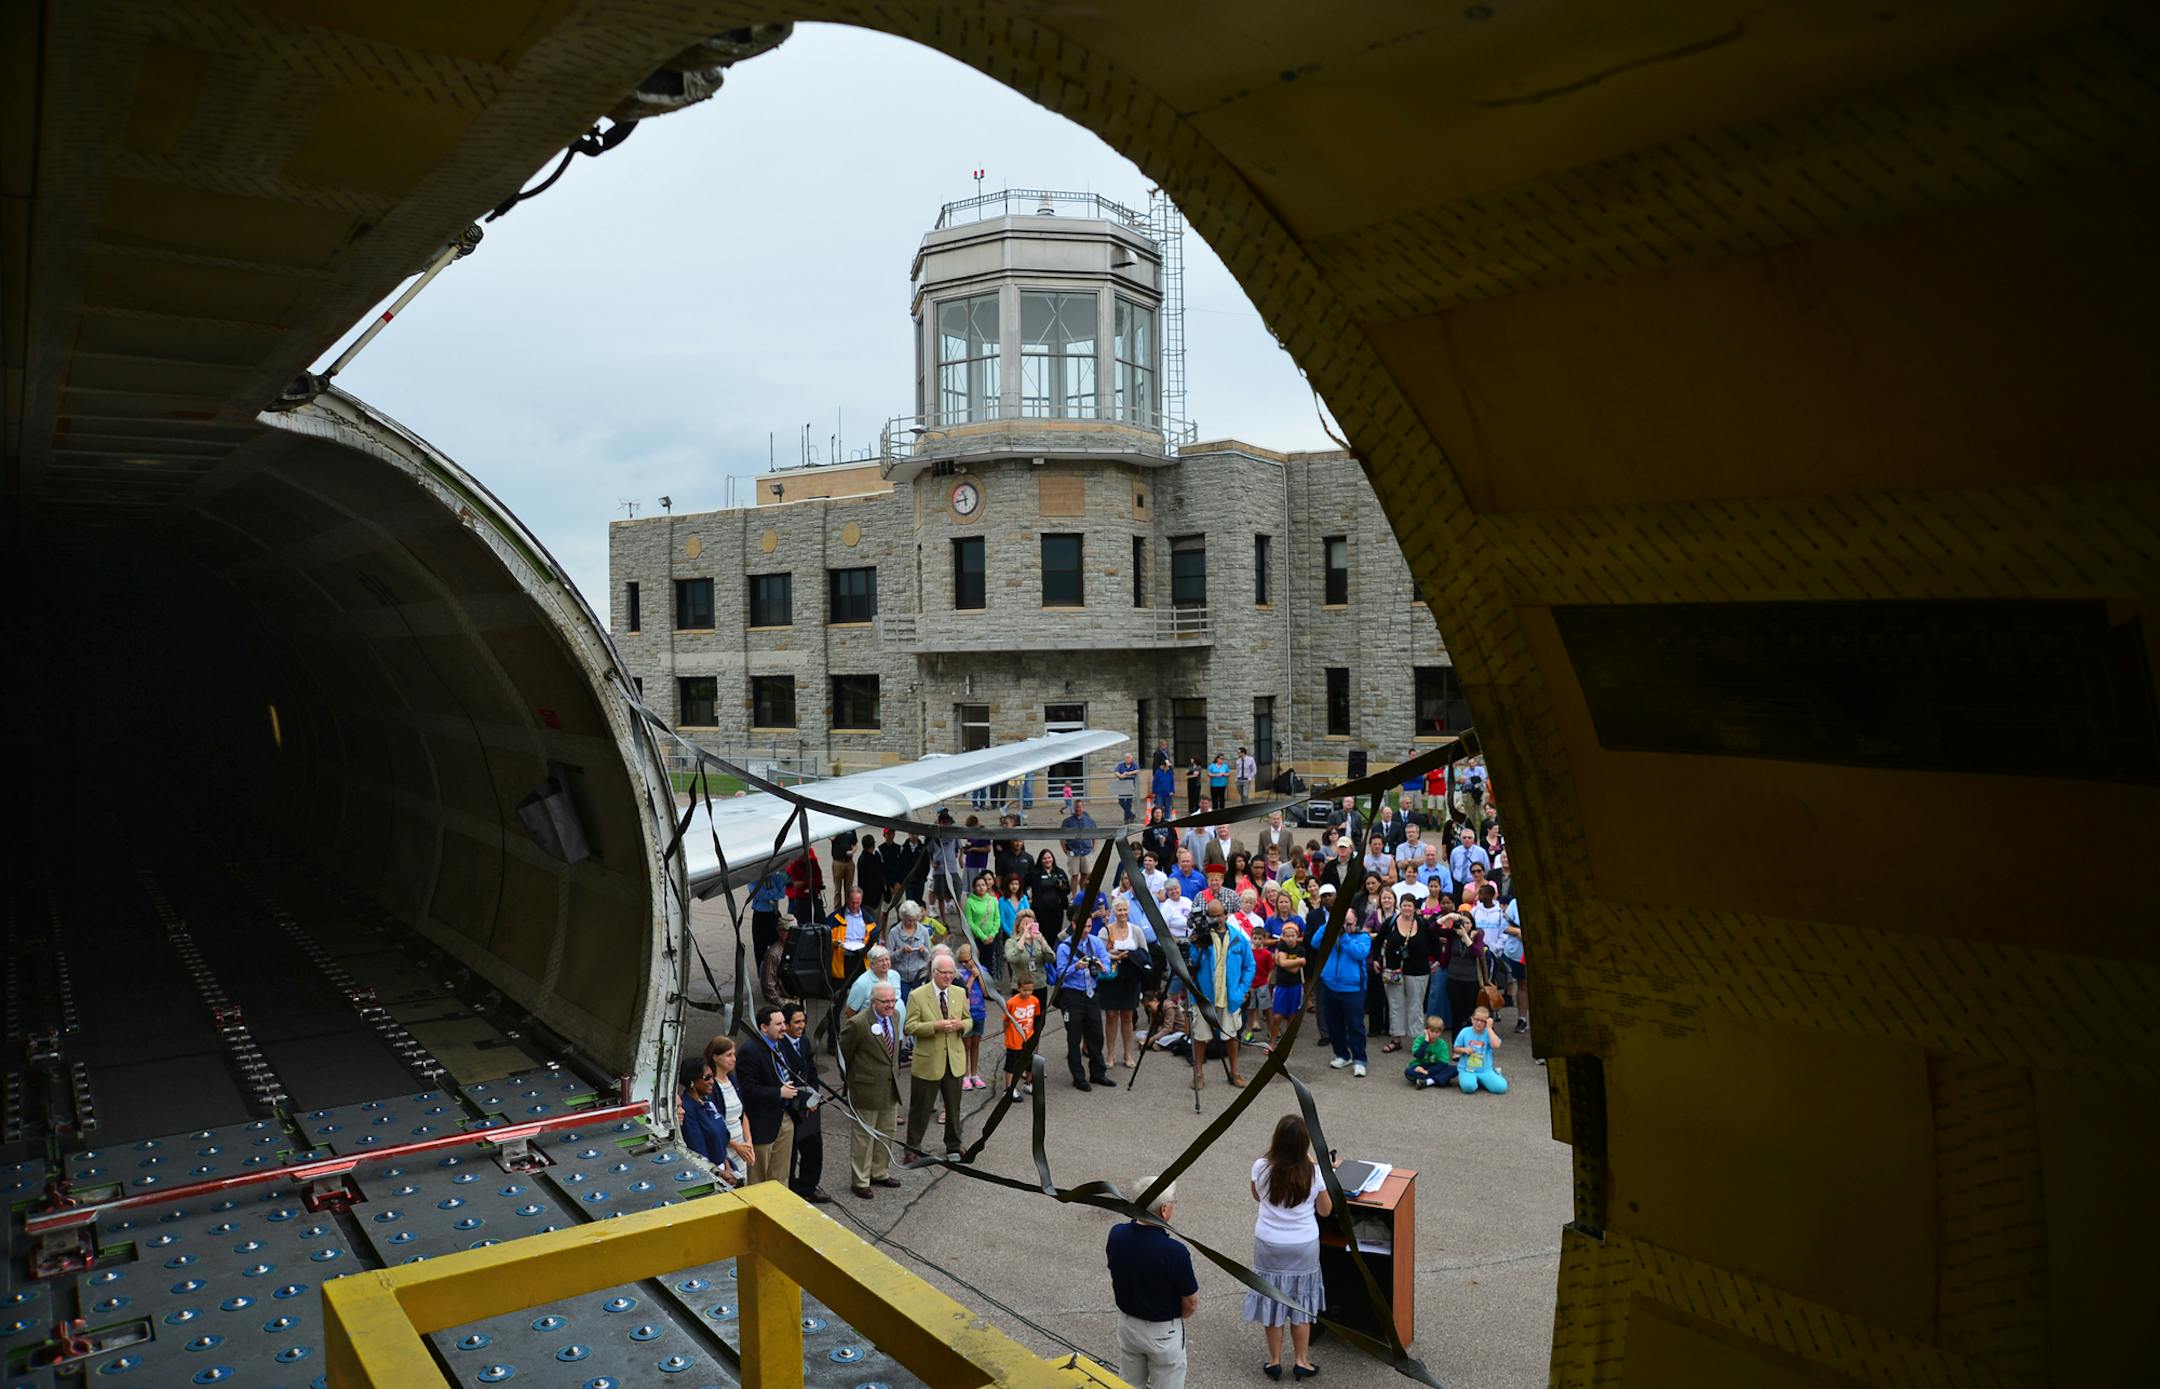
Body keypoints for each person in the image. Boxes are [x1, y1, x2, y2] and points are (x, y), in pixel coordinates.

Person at [1244, 1114, 1330, 1379]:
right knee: (1301, 1303)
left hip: (1269, 1242)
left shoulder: (1261, 1166)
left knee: (1273, 1299)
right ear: (1304, 1143)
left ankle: (1274, 1360)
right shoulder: (1313, 1173)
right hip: (1302, 1244)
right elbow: (1326, 1211)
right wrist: (1314, 1166)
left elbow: (1257, 1195)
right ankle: (1302, 1360)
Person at [1107, 1176, 1200, 1388]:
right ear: (1164, 1210)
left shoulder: (1117, 1234)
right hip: (1162, 1331)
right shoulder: (1174, 1252)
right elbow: (1191, 1302)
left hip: (1128, 1324)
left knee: (1129, 1382)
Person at [838, 979, 906, 1199]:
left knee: (887, 1132)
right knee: (863, 1137)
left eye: (893, 1000)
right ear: (873, 1002)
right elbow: (844, 1055)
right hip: (865, 1090)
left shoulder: (894, 1017)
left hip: (889, 1088)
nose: (890, 1005)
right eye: (885, 1001)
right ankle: (860, 1180)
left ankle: (880, 1172)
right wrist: (852, 1083)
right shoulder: (858, 1023)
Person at [903, 952, 970, 1160]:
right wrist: (935, 1026)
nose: (949, 977)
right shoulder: (918, 995)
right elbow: (909, 1027)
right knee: (920, 1109)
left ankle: (953, 1145)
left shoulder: (959, 992)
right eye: (944, 973)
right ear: (934, 972)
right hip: (928, 1061)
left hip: (954, 1060)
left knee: (953, 1108)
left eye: (951, 973)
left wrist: (962, 1026)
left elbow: (969, 1021)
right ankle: (912, 1148)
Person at [1189, 901, 1255, 1090]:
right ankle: (1198, 1073)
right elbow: (1191, 965)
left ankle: (1234, 1072)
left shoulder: (1238, 937)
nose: (1216, 919)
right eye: (1212, 915)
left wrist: (1241, 990)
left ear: (1226, 914)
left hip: (1229, 997)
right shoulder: (1201, 937)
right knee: (1201, 1036)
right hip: (1204, 996)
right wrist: (1195, 945)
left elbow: (1249, 966)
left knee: (1232, 1036)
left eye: (1219, 915)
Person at [1310, 884, 1372, 1076]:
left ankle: (1360, 1059)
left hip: (1352, 989)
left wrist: (1344, 936)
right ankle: (1342, 1054)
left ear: (1355, 922)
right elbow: (1314, 942)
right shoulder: (1330, 931)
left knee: (1355, 1026)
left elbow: (1359, 954)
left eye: (1348, 923)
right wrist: (1330, 925)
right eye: (1343, 923)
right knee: (1334, 1024)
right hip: (1330, 985)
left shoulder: (1362, 937)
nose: (1346, 926)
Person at [736, 1006, 799, 1185]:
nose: (784, 1028)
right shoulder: (750, 1050)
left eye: (784, 1023)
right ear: (764, 1027)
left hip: (785, 1117)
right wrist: (779, 1092)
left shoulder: (782, 1043)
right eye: (778, 1024)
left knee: (780, 1175)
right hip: (762, 1123)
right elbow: (748, 1090)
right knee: (758, 1178)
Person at [1049, 915, 1114, 1090]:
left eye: (1089, 926)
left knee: (1096, 1035)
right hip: (1072, 996)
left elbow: (1107, 963)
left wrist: (1102, 967)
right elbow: (1060, 974)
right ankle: (1078, 1077)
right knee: (1074, 1038)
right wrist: (1076, 966)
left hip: (1091, 994)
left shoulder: (1095, 942)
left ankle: (1098, 1073)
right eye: (1084, 927)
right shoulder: (1064, 947)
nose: (1087, 930)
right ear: (1074, 925)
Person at [780, 1003, 832, 1204]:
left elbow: (812, 1074)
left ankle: (809, 1186)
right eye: (796, 1022)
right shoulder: (780, 1046)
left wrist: (814, 1098)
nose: (801, 1026)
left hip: (810, 1105)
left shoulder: (805, 1042)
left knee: (813, 1149)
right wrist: (801, 1100)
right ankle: (792, 1189)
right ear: (786, 1024)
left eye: (803, 1021)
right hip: (792, 1106)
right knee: (791, 1153)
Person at [1378, 896, 1437, 1054]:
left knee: (1415, 1005)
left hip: (1418, 971)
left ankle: (1417, 1041)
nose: (1407, 909)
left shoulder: (1423, 924)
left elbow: (1434, 943)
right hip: (1394, 971)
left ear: (1415, 908)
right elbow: (1378, 941)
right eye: (1404, 906)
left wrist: (1437, 960)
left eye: (1410, 906)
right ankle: (1396, 1039)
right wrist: (1376, 960)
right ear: (1400, 906)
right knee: (1395, 1004)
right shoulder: (1390, 922)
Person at [1099, 896, 1148, 1068]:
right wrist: (1115, 956)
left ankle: (1128, 1054)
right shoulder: (1106, 931)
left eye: (1125, 910)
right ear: (1113, 912)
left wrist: (1131, 956)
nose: (1122, 913)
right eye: (1119, 910)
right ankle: (1110, 1054)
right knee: (1111, 1016)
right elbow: (1100, 954)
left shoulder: (1136, 930)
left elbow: (1144, 953)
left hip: (1130, 977)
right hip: (1112, 977)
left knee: (1127, 1016)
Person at [703, 1037, 754, 1185]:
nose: (733, 1059)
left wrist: (748, 1141)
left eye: (734, 1054)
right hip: (726, 1149)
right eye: (728, 1055)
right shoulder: (710, 1086)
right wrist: (736, 1146)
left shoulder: (733, 1079)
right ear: (716, 1057)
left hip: (741, 1147)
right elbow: (712, 1125)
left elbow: (742, 1114)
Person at [677, 1055, 731, 1171]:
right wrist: (721, 1174)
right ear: (692, 1082)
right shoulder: (687, 1109)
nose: (712, 1082)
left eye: (712, 1077)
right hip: (711, 1172)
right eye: (707, 1078)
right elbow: (698, 1151)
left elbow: (722, 1137)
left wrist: (727, 1165)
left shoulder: (707, 1101)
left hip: (726, 1165)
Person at [952, 941, 989, 1089]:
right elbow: (964, 992)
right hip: (966, 1014)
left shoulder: (983, 970)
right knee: (965, 1045)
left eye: (968, 960)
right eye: (962, 961)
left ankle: (974, 1074)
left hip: (980, 1012)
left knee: (976, 1044)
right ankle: (965, 1074)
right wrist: (972, 977)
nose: (965, 964)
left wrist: (979, 975)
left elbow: (987, 993)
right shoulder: (959, 974)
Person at [749, 865, 789, 1003]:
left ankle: (776, 980)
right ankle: (763, 981)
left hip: (773, 915)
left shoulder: (776, 877)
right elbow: (759, 894)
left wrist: (770, 893)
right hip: (760, 916)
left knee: (777, 949)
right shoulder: (753, 880)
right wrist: (774, 892)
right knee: (760, 950)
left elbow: (782, 893)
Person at [1003, 972, 1044, 1099]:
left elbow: (1036, 1017)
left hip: (1028, 1037)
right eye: (1024, 990)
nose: (1027, 993)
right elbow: (1005, 1020)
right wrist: (1006, 1033)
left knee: (1029, 1062)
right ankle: (1009, 1088)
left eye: (1030, 990)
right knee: (1011, 1065)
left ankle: (1028, 1083)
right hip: (1014, 1039)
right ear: (1018, 988)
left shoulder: (1035, 1001)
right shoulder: (1011, 1002)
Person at [1267, 920, 1306, 1047]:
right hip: (1281, 986)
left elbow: (1293, 969)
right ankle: (1272, 1042)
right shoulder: (1281, 947)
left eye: (1293, 935)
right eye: (1287, 935)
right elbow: (1283, 963)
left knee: (1292, 1017)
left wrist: (1284, 962)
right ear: (1283, 936)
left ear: (1297, 936)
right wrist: (1298, 961)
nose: (1290, 938)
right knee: (1277, 1016)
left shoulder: (1301, 949)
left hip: (1295, 986)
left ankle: (1287, 1044)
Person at [1453, 1005, 1508, 1093]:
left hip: (1485, 1070)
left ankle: (1492, 1075)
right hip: (1467, 1069)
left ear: (1487, 1022)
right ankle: (1474, 1080)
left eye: (1482, 1021)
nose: (1479, 1023)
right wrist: (1465, 1050)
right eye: (1476, 1019)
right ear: (1472, 1019)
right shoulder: (1464, 1032)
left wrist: (1489, 1028)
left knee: (1501, 1087)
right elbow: (1456, 1048)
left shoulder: (1488, 1033)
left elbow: (1496, 1045)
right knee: (1468, 1087)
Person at [887, 905, 934, 998]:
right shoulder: (894, 932)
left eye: (914, 920)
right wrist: (901, 952)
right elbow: (888, 957)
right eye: (909, 920)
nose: (912, 923)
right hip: (901, 976)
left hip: (919, 976)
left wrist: (924, 951)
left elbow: (930, 957)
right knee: (903, 1003)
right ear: (902, 918)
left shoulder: (924, 931)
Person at [1004, 908, 1055, 990]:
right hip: (1021, 988)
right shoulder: (1011, 942)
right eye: (1025, 924)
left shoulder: (1039, 940)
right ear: (1018, 926)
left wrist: (1042, 941)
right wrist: (1023, 937)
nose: (1029, 927)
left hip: (1039, 985)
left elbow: (1051, 958)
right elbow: (1011, 959)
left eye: (1031, 924)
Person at [1026, 848, 1072, 936]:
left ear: (1053, 859)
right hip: (1040, 910)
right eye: (1044, 858)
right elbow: (1023, 885)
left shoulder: (1059, 872)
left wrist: (1062, 886)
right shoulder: (1035, 873)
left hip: (1057, 909)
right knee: (1042, 933)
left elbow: (1068, 890)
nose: (1047, 860)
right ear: (1040, 860)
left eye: (1049, 858)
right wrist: (1027, 898)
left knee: (1056, 933)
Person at [1405, 1014, 1457, 1088]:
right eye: (1432, 1031)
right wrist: (1426, 1042)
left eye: (1437, 1032)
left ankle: (1428, 1082)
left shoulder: (1442, 1044)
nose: (1434, 1034)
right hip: (1420, 1065)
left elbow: (1443, 1063)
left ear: (1441, 1032)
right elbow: (1418, 1055)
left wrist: (1428, 1072)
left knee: (1455, 1069)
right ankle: (1438, 1080)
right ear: (1426, 1030)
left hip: (1435, 1067)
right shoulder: (1420, 1040)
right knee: (1409, 1071)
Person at [1061, 801, 1100, 882]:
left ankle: (1083, 893)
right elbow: (1062, 837)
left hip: (1086, 852)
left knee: (1085, 875)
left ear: (1083, 807)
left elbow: (1095, 836)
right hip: (1073, 852)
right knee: (1074, 875)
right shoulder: (1067, 822)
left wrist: (1094, 849)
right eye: (1076, 807)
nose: (1077, 809)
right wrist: (1065, 850)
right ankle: (1074, 894)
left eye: (1079, 807)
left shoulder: (1090, 821)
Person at [1113, 752, 1141, 823]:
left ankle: (1127, 818)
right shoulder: (1121, 765)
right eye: (1126, 758)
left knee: (1129, 802)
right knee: (1121, 801)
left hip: (1130, 786)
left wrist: (1129, 773)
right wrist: (1120, 775)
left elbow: (1138, 770)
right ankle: (1131, 815)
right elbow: (1116, 772)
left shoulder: (1134, 764)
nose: (1128, 759)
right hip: (1122, 786)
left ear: (1131, 758)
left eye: (1129, 758)